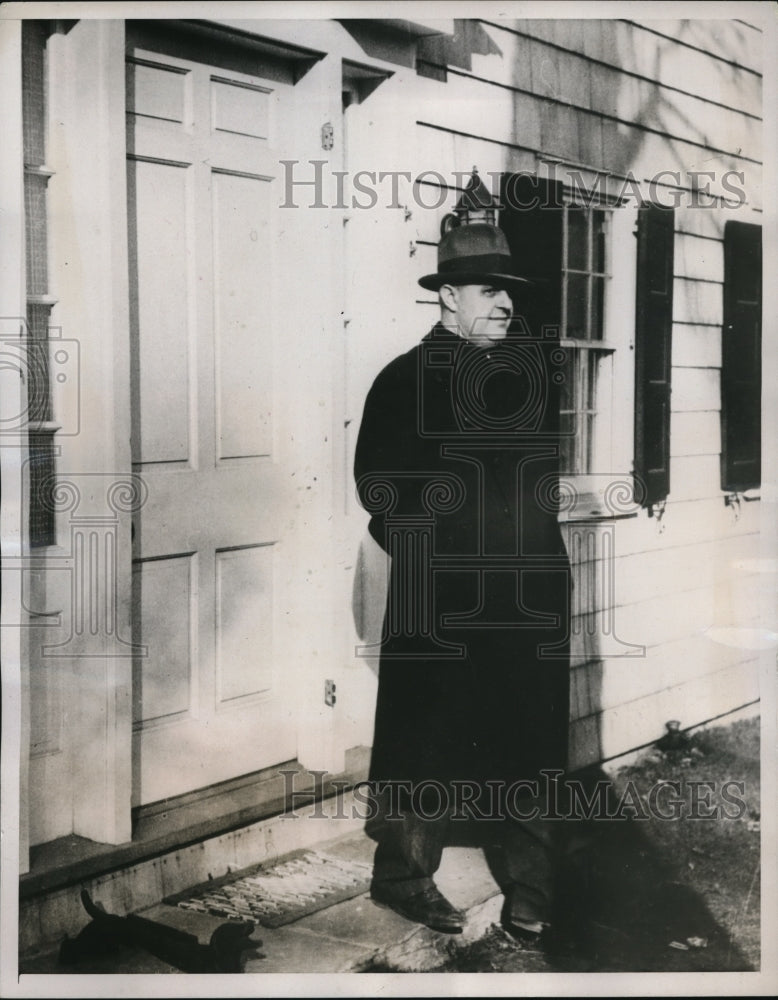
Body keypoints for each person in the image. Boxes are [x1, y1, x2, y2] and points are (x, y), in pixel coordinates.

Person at [354, 222, 572, 940]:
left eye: (509, 289)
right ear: (447, 297)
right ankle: (403, 877)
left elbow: (541, 483)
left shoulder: (532, 378)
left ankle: (533, 891)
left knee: (531, 736)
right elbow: (379, 490)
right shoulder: (402, 380)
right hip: (439, 593)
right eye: (489, 289)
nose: (505, 303)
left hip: (528, 590)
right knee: (423, 732)